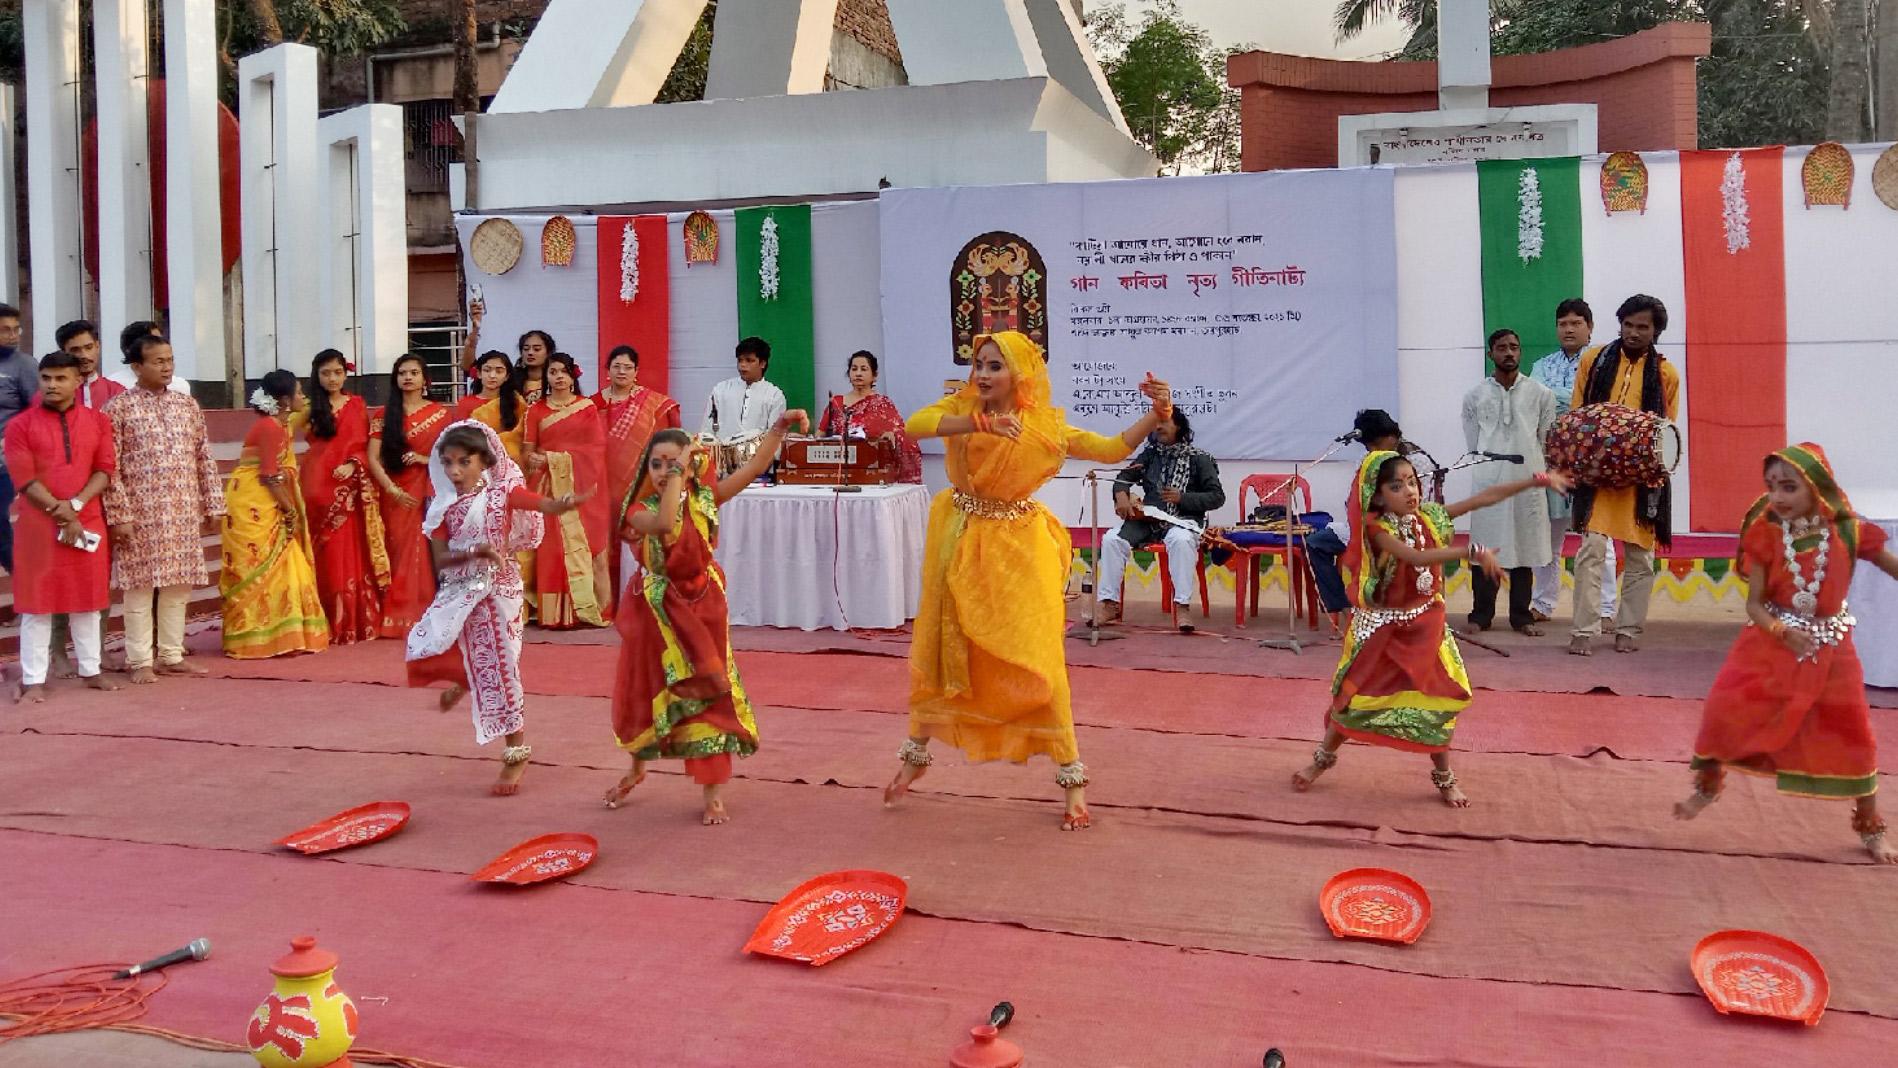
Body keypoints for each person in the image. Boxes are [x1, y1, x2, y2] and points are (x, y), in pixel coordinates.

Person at [885, 330, 1172, 832]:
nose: (983, 374)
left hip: (1020, 551)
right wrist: (977, 422)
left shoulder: (1045, 426)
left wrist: (1157, 416)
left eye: (995, 366)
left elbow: (1108, 449)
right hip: (960, 538)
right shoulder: (962, 407)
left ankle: (1072, 778)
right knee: (944, 649)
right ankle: (916, 755)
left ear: (1020, 373)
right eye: (979, 364)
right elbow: (916, 425)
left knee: (1039, 658)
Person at [1291, 450, 1570, 807]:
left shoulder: (1429, 517)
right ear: (1377, 496)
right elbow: (1416, 558)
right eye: (1397, 486)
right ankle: (1320, 762)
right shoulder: (1378, 531)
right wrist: (1472, 551)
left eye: (1412, 482)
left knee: (1437, 702)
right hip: (1383, 632)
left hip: (1426, 627)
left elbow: (1484, 498)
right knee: (1352, 700)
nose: (1410, 491)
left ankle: (1444, 778)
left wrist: (1536, 481)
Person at [1674, 444, 1898, 864]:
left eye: (1789, 487)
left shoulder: (1850, 532)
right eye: (1772, 486)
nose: (1777, 496)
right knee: (1726, 711)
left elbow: (1892, 565)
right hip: (1769, 643)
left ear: (1817, 489)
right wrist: (1782, 631)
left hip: (1831, 648)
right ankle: (1706, 787)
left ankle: (1871, 829)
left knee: (1855, 737)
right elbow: (1754, 605)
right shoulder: (1766, 532)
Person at [602, 413, 808, 825]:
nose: (663, 472)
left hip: (705, 606)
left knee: (712, 698)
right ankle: (636, 769)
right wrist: (680, 470)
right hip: (656, 615)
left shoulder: (704, 497)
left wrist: (779, 429)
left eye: (672, 462)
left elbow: (751, 468)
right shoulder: (639, 511)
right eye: (656, 464)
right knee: (648, 692)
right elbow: (663, 523)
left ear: (694, 465)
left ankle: (712, 793)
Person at [405, 422, 586, 796]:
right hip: (462, 593)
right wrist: (477, 553)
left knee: (503, 668)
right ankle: (467, 679)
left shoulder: (503, 493)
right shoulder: (442, 507)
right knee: (451, 651)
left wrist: (563, 503)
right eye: (448, 463)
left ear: (484, 462)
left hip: (499, 591)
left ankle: (515, 752)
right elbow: (441, 561)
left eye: (463, 462)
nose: (454, 472)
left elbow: (542, 504)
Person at [101, 336, 226, 683]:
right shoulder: (118, 409)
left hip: (182, 509)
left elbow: (204, 456)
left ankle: (171, 654)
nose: (166, 366)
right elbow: (109, 467)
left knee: (179, 587)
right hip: (140, 515)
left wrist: (213, 502)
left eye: (169, 359)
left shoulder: (187, 406)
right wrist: (119, 515)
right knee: (139, 589)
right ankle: (139, 660)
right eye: (157, 361)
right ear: (137, 367)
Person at [1568, 295, 1680, 656]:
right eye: (1628, 325)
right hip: (1599, 475)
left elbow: (1666, 431)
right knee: (1591, 550)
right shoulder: (1594, 360)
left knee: (1640, 556)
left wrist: (1638, 458)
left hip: (1640, 478)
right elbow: (1577, 416)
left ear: (1656, 331)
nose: (1633, 333)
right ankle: (1583, 630)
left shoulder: (1666, 374)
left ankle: (1628, 629)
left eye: (1642, 327)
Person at [6, 352, 119, 701]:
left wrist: (76, 506)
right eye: (46, 378)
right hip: (39, 526)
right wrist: (62, 511)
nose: (52, 385)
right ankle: (33, 679)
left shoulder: (98, 422)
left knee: (88, 600)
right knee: (37, 604)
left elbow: (105, 469)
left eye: (60, 379)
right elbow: (24, 479)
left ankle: (91, 670)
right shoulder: (19, 426)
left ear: (76, 381)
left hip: (86, 520)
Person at [220, 370, 329, 659]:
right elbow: (269, 475)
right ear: (283, 400)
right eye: (299, 393)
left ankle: (283, 632)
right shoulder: (270, 427)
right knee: (261, 564)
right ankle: (256, 635)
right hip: (255, 500)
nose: (303, 398)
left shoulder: (280, 425)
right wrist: (289, 508)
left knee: (284, 564)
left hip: (267, 496)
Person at [1460, 328, 1559, 635]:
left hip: (1527, 480)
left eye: (1514, 347)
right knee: (1485, 547)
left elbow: (1545, 440)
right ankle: (1481, 615)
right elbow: (1473, 441)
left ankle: (1521, 617)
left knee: (1524, 545)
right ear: (1491, 354)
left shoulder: (1541, 395)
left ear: (1521, 352)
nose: (1509, 353)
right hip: (1489, 482)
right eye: (1502, 348)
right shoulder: (1475, 396)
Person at [1092, 408, 1224, 634]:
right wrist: (1121, 495)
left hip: (1183, 521)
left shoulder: (1199, 458)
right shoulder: (1150, 455)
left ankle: (1182, 607)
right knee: (1112, 539)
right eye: (1157, 423)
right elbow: (1123, 477)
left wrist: (1184, 498)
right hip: (1148, 521)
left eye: (1164, 422)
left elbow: (1217, 497)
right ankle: (1109, 604)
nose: (1158, 427)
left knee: (1181, 541)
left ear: (1179, 427)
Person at [1527, 298, 1617, 627]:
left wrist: (1560, 398)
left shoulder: (1604, 363)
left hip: (1591, 461)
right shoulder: (1542, 363)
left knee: (1596, 538)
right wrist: (1570, 399)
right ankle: (1543, 604)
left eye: (1576, 323)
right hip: (1552, 460)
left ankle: (1605, 609)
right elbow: (1536, 400)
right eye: (1563, 323)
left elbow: (1595, 404)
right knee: (1547, 538)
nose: (1569, 328)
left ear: (1589, 328)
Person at [302, 349, 389, 644]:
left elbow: (363, 443)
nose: (332, 378)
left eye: (337, 372)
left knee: (345, 551)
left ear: (346, 373)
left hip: (346, 484)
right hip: (314, 482)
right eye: (326, 373)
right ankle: (320, 620)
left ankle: (348, 622)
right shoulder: (307, 406)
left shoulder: (356, 404)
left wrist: (353, 464)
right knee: (319, 553)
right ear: (316, 375)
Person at [523, 353, 615, 627]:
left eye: (564, 372)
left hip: (582, 489)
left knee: (588, 547)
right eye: (553, 372)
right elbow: (527, 451)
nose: (559, 377)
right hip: (546, 488)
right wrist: (535, 459)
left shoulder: (585, 408)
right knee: (550, 548)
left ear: (573, 376)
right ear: (546, 376)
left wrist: (553, 457)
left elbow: (595, 449)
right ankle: (550, 613)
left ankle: (588, 608)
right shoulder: (536, 410)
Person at [368, 354, 451, 638]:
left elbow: (450, 458)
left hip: (428, 488)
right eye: (402, 372)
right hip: (393, 491)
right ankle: (395, 614)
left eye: (414, 372)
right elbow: (373, 458)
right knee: (397, 551)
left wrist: (421, 458)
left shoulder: (440, 414)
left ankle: (422, 611)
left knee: (422, 550)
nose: (408, 377)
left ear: (424, 379)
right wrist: (392, 489)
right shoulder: (383, 414)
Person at [594, 344, 682, 593]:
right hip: (600, 484)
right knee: (603, 538)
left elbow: (670, 442)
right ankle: (605, 597)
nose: (622, 371)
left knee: (637, 535)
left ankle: (639, 593)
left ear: (636, 371)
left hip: (638, 484)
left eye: (628, 367)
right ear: (607, 371)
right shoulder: (592, 404)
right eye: (616, 366)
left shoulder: (655, 404)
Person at [1309, 409, 1405, 619]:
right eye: (1369, 447)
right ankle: (1343, 608)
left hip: (1394, 529)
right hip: (1359, 525)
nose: (1372, 451)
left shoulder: (1414, 458)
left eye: (1375, 446)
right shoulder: (1366, 458)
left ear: (1390, 437)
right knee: (1315, 543)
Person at [817, 350, 923, 484]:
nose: (858, 373)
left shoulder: (883, 404)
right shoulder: (836, 403)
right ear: (849, 374)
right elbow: (819, 436)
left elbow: (902, 432)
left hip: (873, 470)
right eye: (854, 369)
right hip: (839, 469)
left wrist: (894, 434)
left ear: (875, 375)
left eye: (864, 369)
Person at [699, 336, 787, 443]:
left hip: (758, 458)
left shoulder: (774, 395)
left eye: (749, 360)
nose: (742, 365)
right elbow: (707, 431)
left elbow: (774, 438)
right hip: (722, 456)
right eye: (740, 360)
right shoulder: (721, 390)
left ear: (763, 363)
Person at [0, 303, 33, 574]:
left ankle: (23, 576)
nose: (12, 335)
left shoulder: (23, 366)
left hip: (6, 460)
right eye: (5, 330)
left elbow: (37, 412)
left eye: (15, 329)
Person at [454, 351, 526, 462]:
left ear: (507, 376)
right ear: (479, 373)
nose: (492, 375)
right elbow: (459, 438)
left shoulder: (516, 402)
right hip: (477, 463)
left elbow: (523, 436)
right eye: (487, 370)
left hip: (510, 462)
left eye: (499, 371)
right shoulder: (465, 404)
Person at [105, 321, 190, 396]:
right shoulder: (112, 386)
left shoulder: (180, 386)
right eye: (152, 341)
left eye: (160, 340)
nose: (160, 345)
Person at [55, 320, 126, 410]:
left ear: (97, 346)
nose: (84, 355)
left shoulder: (116, 392)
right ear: (64, 352)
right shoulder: (53, 394)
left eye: (89, 348)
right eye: (75, 350)